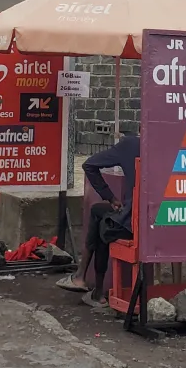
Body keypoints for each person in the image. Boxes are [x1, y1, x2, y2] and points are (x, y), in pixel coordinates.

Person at [57, 125, 139, 306]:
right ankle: (83, 280)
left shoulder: (131, 144)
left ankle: (90, 285)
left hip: (136, 225)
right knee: (101, 215)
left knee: (102, 220)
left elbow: (89, 165)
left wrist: (110, 197)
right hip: (172, 224)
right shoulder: (176, 147)